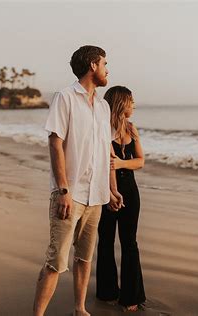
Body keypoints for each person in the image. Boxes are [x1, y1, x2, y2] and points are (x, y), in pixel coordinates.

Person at [33, 46, 123, 316]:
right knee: (56, 261)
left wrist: (112, 188)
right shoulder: (65, 97)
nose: (108, 69)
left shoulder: (104, 106)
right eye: (105, 63)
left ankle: (79, 309)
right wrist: (63, 190)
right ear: (93, 65)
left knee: (85, 258)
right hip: (70, 195)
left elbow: (106, 151)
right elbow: (55, 142)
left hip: (96, 196)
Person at [96, 86, 146, 312]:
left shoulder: (131, 128)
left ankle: (131, 296)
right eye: (131, 101)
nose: (134, 105)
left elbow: (140, 161)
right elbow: (106, 166)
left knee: (129, 243)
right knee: (106, 241)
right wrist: (110, 193)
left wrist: (122, 163)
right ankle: (107, 292)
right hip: (105, 190)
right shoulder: (102, 130)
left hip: (130, 190)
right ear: (120, 103)